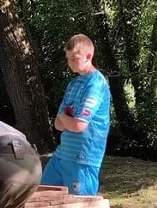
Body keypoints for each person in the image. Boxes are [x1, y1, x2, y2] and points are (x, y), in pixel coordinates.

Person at [41, 33, 111, 196]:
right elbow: (57, 124)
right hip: (62, 155)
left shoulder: (96, 84)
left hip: (84, 158)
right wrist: (67, 119)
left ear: (88, 56)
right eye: (68, 59)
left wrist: (66, 118)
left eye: (74, 58)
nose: (70, 63)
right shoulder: (73, 84)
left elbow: (79, 125)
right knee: (43, 198)